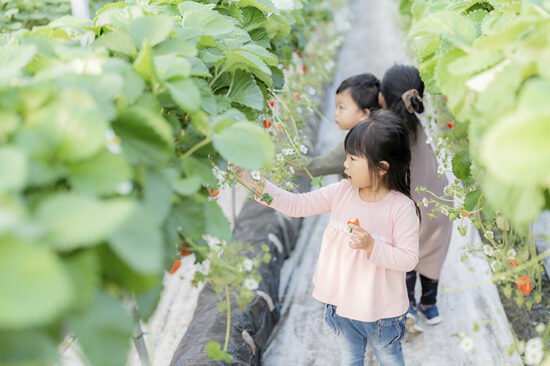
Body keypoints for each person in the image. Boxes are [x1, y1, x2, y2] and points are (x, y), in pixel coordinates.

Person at [240, 110, 420, 366]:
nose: (345, 165)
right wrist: (257, 184)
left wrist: (372, 246)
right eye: (347, 157)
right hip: (342, 305)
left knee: (390, 359)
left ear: (381, 168)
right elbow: (297, 205)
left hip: (382, 313)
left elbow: (409, 259)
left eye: (353, 159)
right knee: (349, 359)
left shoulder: (400, 208)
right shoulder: (342, 192)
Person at [379, 65, 452, 332]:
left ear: (381, 98)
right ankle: (429, 306)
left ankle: (408, 304)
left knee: (407, 253)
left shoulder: (386, 130)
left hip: (412, 207)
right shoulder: (417, 124)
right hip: (439, 202)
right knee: (432, 253)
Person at [295, 73, 380, 177]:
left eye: (341, 107)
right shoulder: (376, 134)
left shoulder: (357, 144)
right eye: (336, 107)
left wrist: (282, 162)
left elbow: (316, 166)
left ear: (365, 114)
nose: (336, 112)